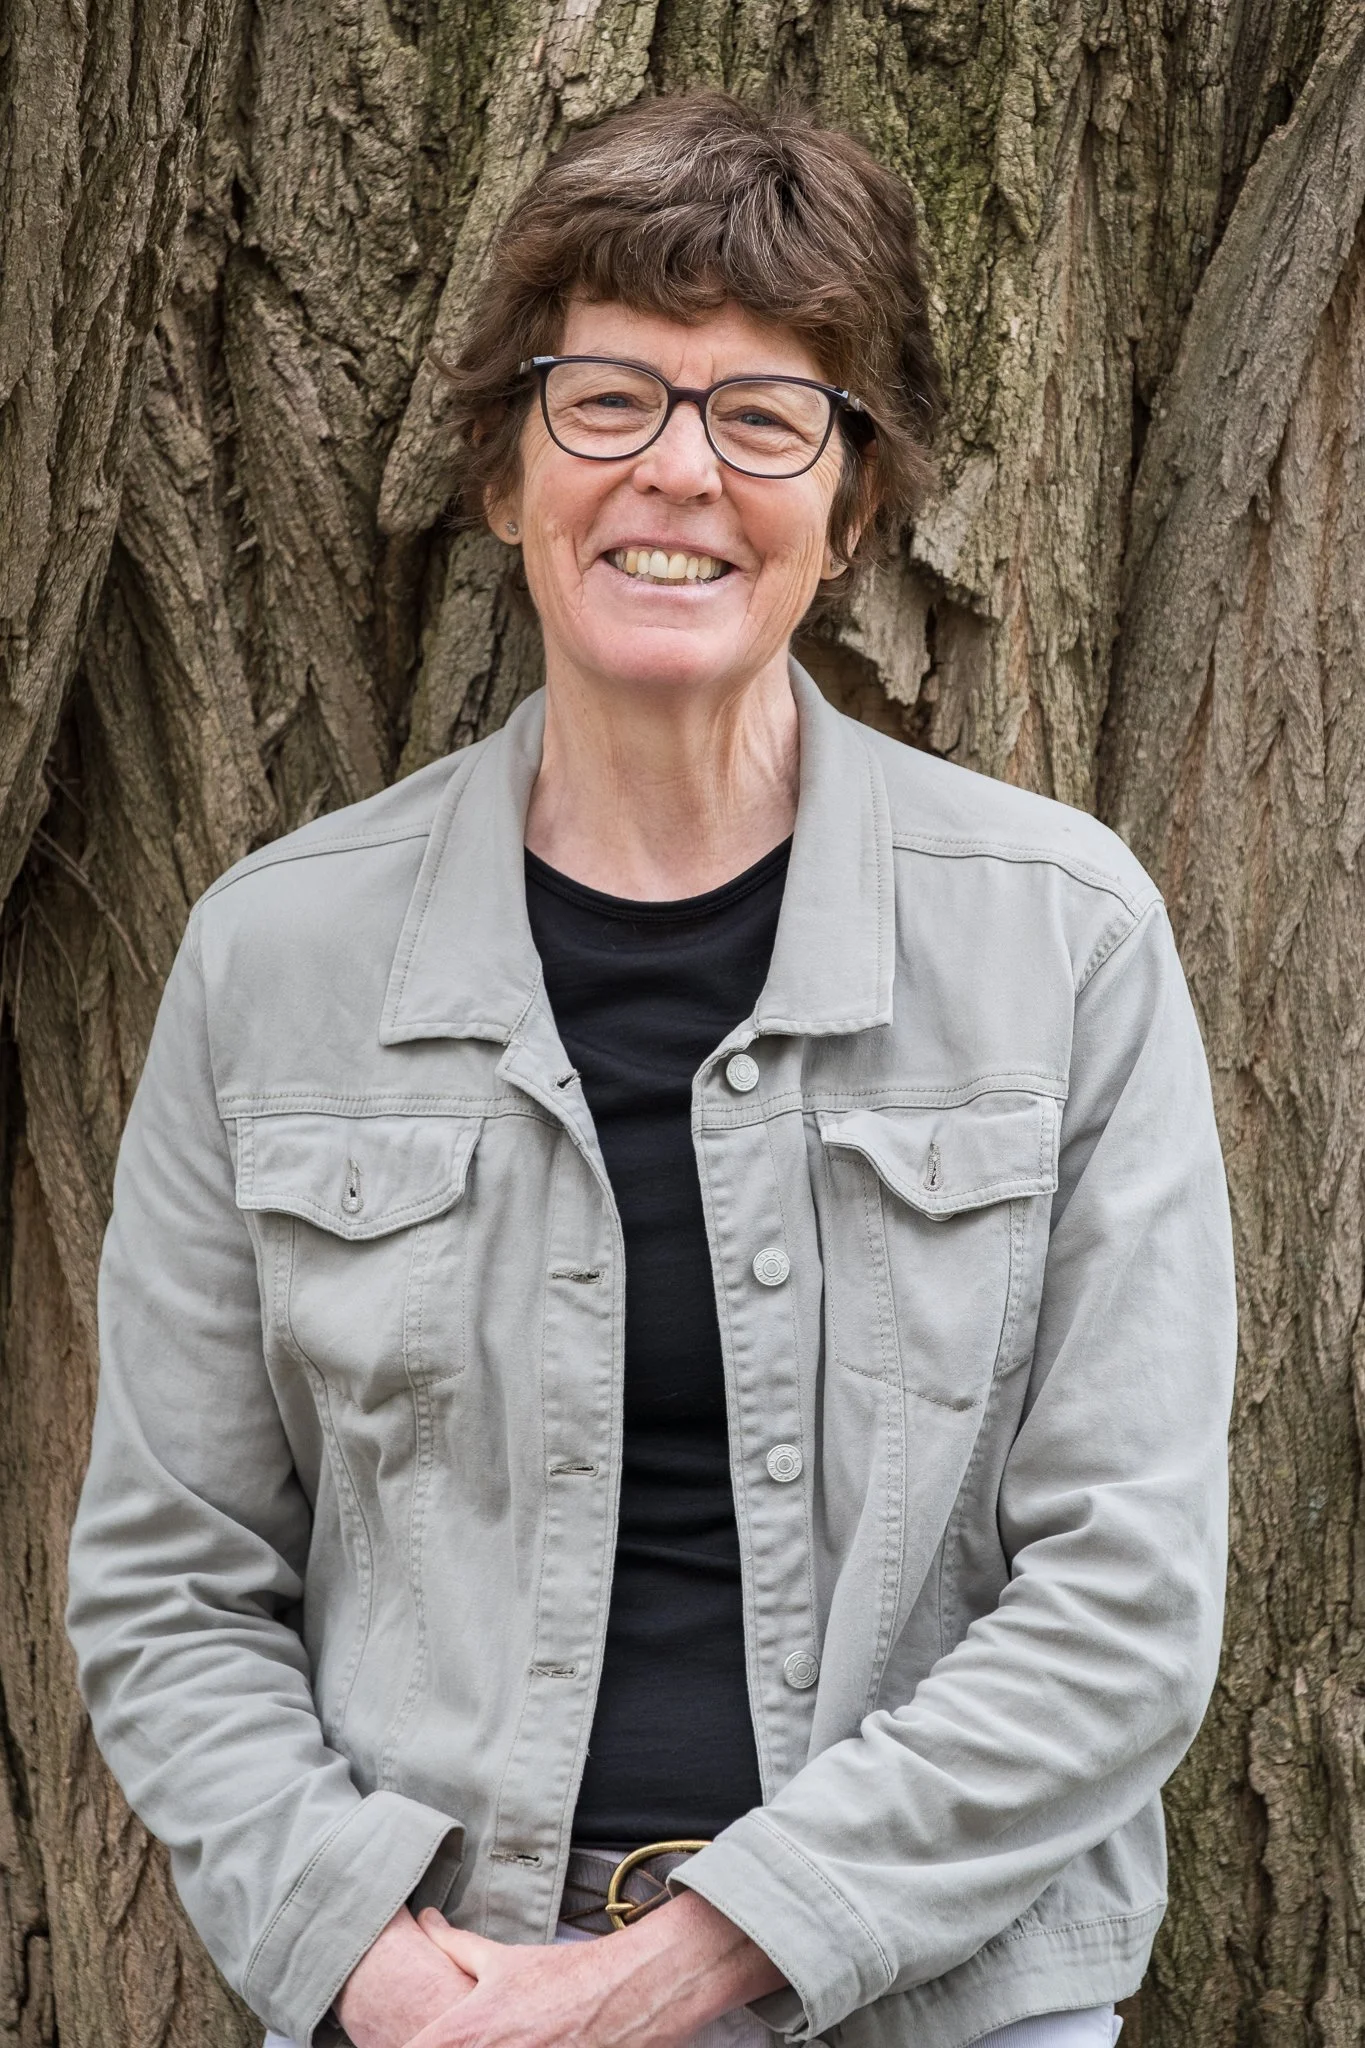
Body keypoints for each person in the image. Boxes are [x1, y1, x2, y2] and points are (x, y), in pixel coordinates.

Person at [66, 92, 1236, 2048]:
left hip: (937, 1999)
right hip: (426, 1993)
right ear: (509, 470)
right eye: (606, 397)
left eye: (764, 416)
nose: (677, 472)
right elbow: (172, 1579)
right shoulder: (273, 960)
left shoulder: (1063, 939)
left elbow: (1124, 1598)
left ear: (854, 502)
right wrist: (377, 1965)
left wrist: (676, 1967)